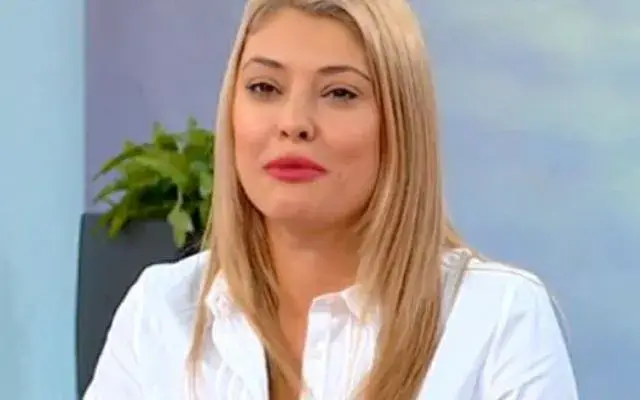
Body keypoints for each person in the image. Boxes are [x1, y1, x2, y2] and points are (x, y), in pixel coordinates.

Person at [84, 0, 579, 399]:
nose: (293, 122)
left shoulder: (496, 318)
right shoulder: (162, 310)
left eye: (340, 93)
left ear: (400, 126)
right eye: (264, 87)